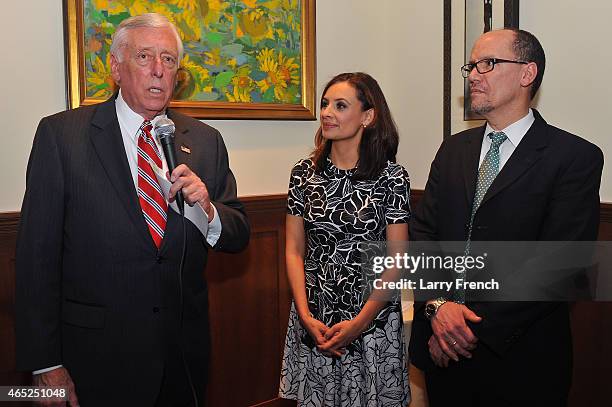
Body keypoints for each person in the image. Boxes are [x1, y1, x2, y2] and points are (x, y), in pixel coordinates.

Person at [15, 13, 250, 406]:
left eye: (169, 60)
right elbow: (36, 259)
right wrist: (45, 364)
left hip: (182, 362)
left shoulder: (206, 140)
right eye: (144, 57)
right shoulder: (63, 136)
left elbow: (239, 233)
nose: (158, 70)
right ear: (116, 67)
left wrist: (208, 212)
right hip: (94, 361)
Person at [409, 28, 603, 406]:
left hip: (521, 360)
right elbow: (423, 234)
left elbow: (559, 265)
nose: (473, 75)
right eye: (472, 65)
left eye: (488, 63)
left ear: (527, 74)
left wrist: (466, 330)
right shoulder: (453, 150)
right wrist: (437, 307)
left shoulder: (574, 157)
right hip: (441, 353)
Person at [279, 72, 411, 406]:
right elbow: (294, 249)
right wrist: (305, 314)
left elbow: (397, 260)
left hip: (371, 319)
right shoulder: (303, 173)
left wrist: (358, 324)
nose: (327, 113)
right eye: (325, 104)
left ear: (367, 116)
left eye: (340, 105)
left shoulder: (391, 177)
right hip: (316, 317)